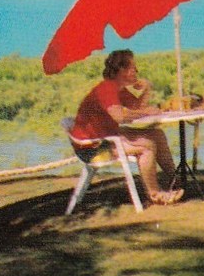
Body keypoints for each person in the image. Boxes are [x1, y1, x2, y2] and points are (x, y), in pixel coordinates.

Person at [71, 49, 183, 205]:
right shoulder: (107, 89)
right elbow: (120, 117)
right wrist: (145, 112)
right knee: (147, 146)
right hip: (92, 150)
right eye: (133, 68)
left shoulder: (119, 89)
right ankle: (155, 193)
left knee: (157, 134)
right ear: (122, 70)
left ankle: (176, 180)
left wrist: (146, 89)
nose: (137, 71)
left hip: (104, 138)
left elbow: (137, 106)